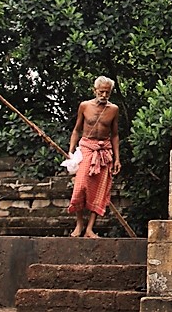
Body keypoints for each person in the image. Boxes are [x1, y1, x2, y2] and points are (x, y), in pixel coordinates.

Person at [67, 76, 121, 238]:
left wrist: (117, 159)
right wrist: (71, 150)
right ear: (94, 90)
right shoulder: (84, 106)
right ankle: (79, 225)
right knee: (80, 187)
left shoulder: (113, 109)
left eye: (107, 92)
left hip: (104, 152)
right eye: (101, 92)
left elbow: (115, 135)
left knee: (99, 191)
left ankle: (90, 229)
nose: (104, 95)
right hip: (86, 149)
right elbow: (77, 130)